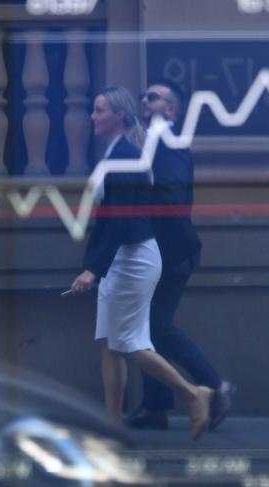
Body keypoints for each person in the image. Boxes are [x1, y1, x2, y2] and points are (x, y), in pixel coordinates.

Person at [70, 85, 213, 440]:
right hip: (120, 258)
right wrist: (95, 265)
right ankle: (112, 423)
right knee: (109, 342)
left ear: (118, 115)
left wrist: (93, 269)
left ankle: (195, 395)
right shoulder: (117, 152)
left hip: (133, 258)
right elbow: (106, 220)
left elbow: (120, 221)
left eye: (100, 110)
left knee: (131, 343)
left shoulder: (126, 156)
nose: (92, 115)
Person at [125, 81, 235, 431]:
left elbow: (170, 198)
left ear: (171, 110)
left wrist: (143, 222)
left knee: (156, 326)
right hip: (165, 247)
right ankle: (155, 408)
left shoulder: (167, 141)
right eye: (143, 96)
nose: (145, 100)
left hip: (169, 249)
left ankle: (216, 387)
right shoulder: (157, 140)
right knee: (148, 329)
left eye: (153, 97)